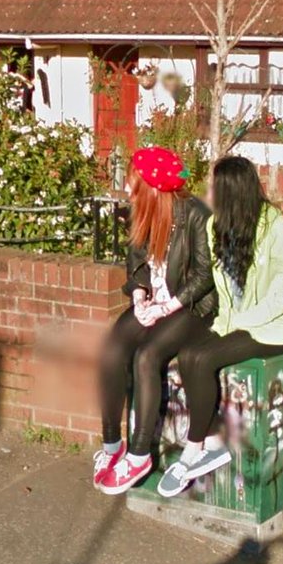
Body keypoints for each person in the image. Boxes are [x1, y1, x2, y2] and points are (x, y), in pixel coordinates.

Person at [157, 156, 283, 498]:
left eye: (214, 185)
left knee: (203, 359)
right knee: (188, 354)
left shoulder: (274, 226)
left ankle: (194, 451)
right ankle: (210, 440)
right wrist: (226, 322)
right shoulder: (216, 227)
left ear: (230, 190)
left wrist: (250, 318)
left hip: (270, 329)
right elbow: (224, 289)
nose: (208, 190)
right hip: (233, 322)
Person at [95, 147, 217, 495]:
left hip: (191, 306)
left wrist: (166, 307)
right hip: (157, 300)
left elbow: (205, 275)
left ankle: (139, 455)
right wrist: (139, 295)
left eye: (134, 183)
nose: (129, 190)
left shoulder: (196, 215)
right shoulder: (143, 212)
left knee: (147, 356)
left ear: (152, 187)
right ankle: (111, 447)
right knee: (113, 350)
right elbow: (136, 264)